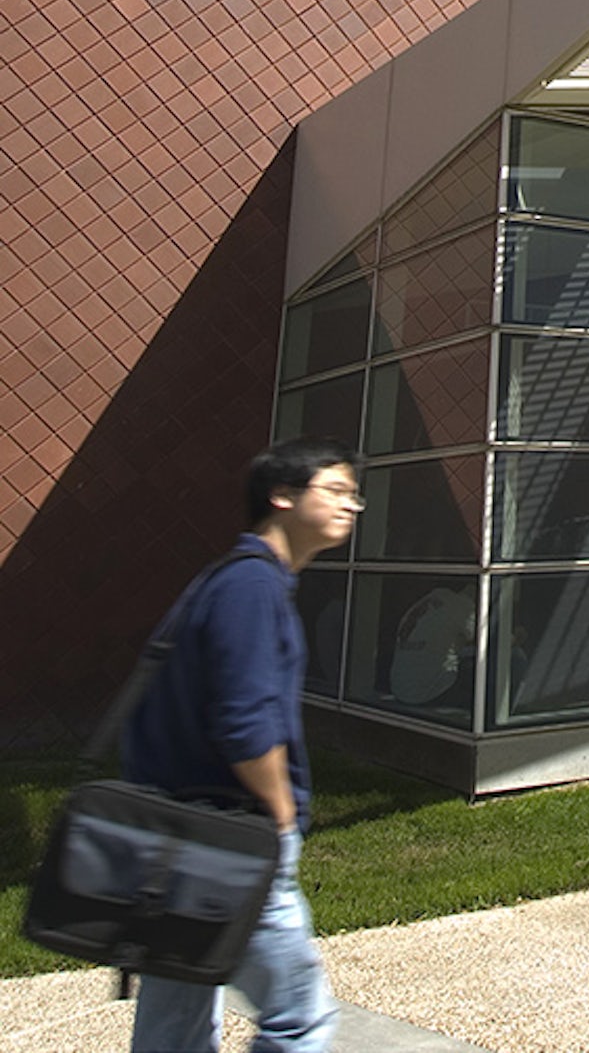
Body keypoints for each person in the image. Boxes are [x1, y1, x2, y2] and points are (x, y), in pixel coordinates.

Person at [122, 440, 362, 1052]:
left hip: (179, 837)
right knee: (300, 1017)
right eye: (335, 490)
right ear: (281, 497)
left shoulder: (231, 581)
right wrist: (279, 812)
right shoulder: (253, 588)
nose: (351, 505)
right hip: (231, 842)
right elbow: (246, 722)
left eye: (353, 494)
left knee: (174, 1018)